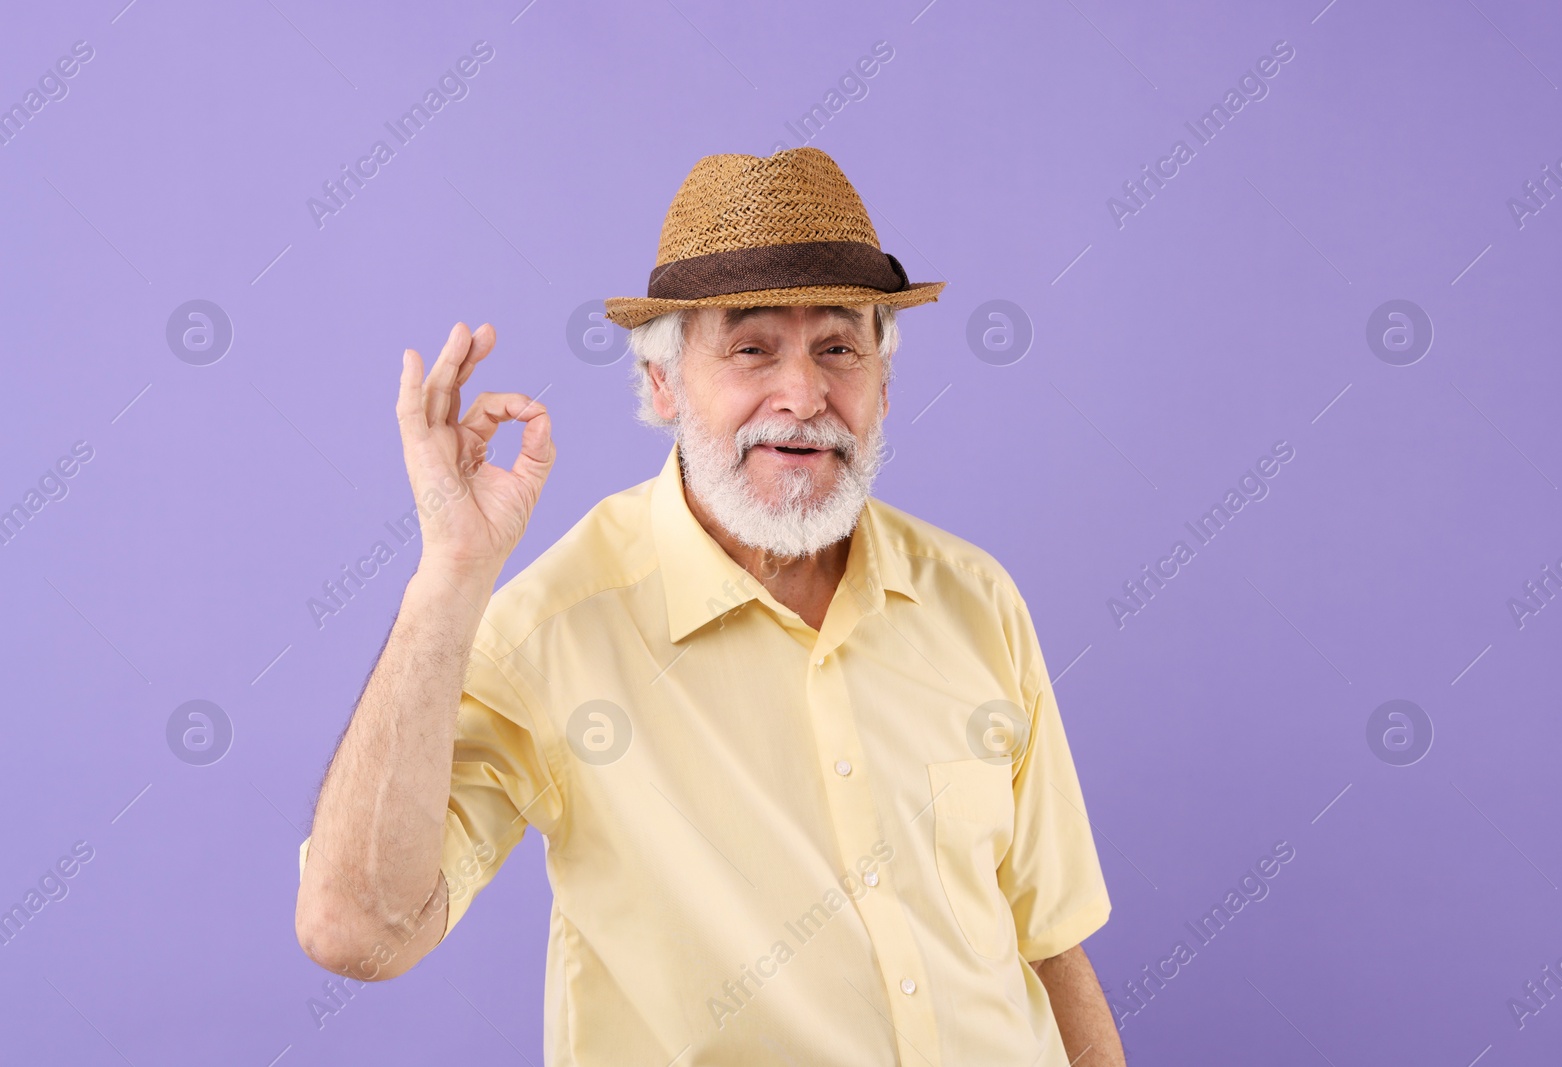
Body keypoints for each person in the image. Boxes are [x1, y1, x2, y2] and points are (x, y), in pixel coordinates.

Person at [294, 146, 1125, 1066]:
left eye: (839, 347)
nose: (804, 396)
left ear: (883, 383)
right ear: (662, 382)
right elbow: (356, 931)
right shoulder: (558, 628)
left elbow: (1048, 946)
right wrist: (447, 574)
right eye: (751, 347)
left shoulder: (976, 599)